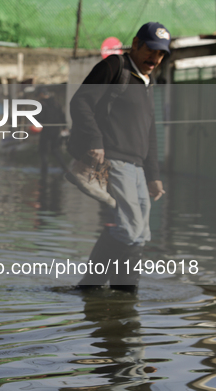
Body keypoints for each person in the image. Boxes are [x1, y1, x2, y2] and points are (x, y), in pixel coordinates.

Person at [68, 22, 169, 291]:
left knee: (140, 233)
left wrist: (154, 177)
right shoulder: (115, 67)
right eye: (150, 50)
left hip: (137, 167)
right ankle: (93, 287)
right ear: (136, 44)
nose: (154, 58)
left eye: (160, 54)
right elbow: (81, 102)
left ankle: (122, 291)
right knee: (129, 228)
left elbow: (150, 132)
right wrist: (95, 141)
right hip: (114, 160)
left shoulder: (148, 82)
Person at [36, 87, 69, 176]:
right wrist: (64, 127)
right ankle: (65, 168)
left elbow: (40, 117)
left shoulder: (42, 104)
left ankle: (44, 170)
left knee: (43, 151)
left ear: (41, 94)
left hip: (46, 130)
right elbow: (62, 116)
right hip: (56, 130)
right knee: (55, 150)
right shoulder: (56, 103)